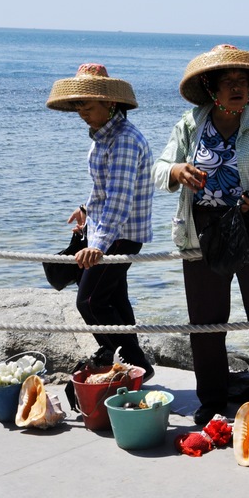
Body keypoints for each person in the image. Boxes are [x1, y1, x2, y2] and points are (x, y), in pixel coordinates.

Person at [154, 44, 249, 425]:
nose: (236, 87)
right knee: (206, 321)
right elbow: (159, 168)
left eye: (242, 81)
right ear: (211, 88)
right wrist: (178, 171)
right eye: (228, 81)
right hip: (200, 232)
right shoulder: (190, 124)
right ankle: (211, 400)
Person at [45, 63, 156, 380]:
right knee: (113, 299)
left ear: (110, 103)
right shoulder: (105, 136)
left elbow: (119, 202)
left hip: (119, 234)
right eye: (78, 104)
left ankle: (131, 363)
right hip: (112, 229)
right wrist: (87, 209)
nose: (81, 111)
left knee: (90, 302)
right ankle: (124, 359)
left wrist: (96, 246)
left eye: (87, 105)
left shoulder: (123, 140)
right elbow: (106, 189)